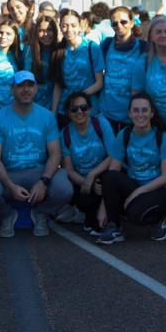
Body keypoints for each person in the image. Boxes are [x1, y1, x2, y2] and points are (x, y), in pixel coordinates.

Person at [0, 71, 73, 237]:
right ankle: (7, 215)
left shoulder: (47, 117)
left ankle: (41, 213)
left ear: (36, 89)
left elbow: (55, 154)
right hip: (9, 173)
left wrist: (43, 182)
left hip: (38, 172)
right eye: (20, 86)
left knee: (64, 188)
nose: (26, 90)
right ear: (12, 89)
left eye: (30, 85)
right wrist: (10, 185)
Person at [95, 92, 166, 245]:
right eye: (136, 110)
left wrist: (137, 193)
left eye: (144, 110)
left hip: (162, 189)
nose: (140, 114)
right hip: (136, 185)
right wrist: (104, 207)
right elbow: (113, 172)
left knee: (135, 214)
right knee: (110, 176)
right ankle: (114, 227)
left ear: (152, 113)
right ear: (129, 113)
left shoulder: (163, 138)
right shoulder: (124, 135)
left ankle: (162, 217)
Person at [59, 90, 115, 234]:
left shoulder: (101, 124)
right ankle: (90, 214)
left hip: (103, 173)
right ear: (68, 112)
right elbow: (69, 169)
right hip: (81, 180)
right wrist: (86, 182)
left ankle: (105, 216)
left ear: (90, 109)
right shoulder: (64, 134)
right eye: (74, 109)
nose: (79, 112)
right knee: (85, 202)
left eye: (83, 108)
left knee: (106, 187)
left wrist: (92, 175)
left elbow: (113, 156)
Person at [52, 10, 104, 121]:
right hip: (65, 110)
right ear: (60, 27)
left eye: (73, 25)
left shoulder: (92, 47)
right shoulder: (58, 50)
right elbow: (58, 84)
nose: (69, 30)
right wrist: (54, 111)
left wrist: (79, 97)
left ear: (80, 26)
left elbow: (99, 83)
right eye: (65, 26)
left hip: (87, 109)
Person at [99, 6, 146, 129]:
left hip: (133, 116)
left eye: (123, 22)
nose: (119, 25)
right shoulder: (106, 44)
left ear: (131, 23)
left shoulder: (143, 47)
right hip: (107, 114)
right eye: (114, 23)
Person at [28, 14, 62, 112]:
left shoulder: (60, 51)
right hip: (33, 106)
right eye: (41, 31)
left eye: (49, 30)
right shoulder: (30, 51)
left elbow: (58, 84)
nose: (46, 34)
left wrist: (54, 111)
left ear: (55, 32)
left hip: (55, 107)